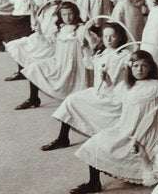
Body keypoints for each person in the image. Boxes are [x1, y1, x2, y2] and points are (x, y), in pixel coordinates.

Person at [70, 49, 158, 194]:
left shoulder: (157, 85)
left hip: (146, 131)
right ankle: (94, 182)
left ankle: (137, 173)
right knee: (95, 144)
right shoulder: (125, 86)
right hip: (125, 128)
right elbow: (113, 98)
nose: (139, 69)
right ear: (130, 67)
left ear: (150, 67)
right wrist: (107, 81)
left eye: (144, 66)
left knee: (147, 159)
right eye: (136, 66)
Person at [43, 20, 130, 150]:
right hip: (97, 93)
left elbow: (134, 68)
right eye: (105, 36)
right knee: (71, 100)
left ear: (120, 37)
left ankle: (98, 139)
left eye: (113, 36)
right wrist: (86, 49)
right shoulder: (102, 52)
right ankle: (63, 138)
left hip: (113, 97)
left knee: (78, 103)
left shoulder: (125, 55)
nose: (109, 40)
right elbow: (89, 65)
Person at [17, 1, 89, 110]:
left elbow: (92, 45)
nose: (67, 17)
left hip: (74, 65)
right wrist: (40, 30)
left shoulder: (81, 29)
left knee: (77, 91)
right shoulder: (60, 29)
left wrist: (87, 41)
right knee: (34, 68)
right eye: (64, 14)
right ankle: (33, 98)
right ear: (60, 16)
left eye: (70, 14)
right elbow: (48, 43)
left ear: (76, 14)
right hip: (58, 62)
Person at [5, 0, 66, 80]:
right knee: (16, 45)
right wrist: (34, 15)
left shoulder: (62, 10)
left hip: (49, 42)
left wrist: (42, 33)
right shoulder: (46, 8)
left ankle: (28, 73)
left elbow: (56, 29)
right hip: (39, 36)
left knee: (30, 52)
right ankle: (22, 71)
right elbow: (38, 22)